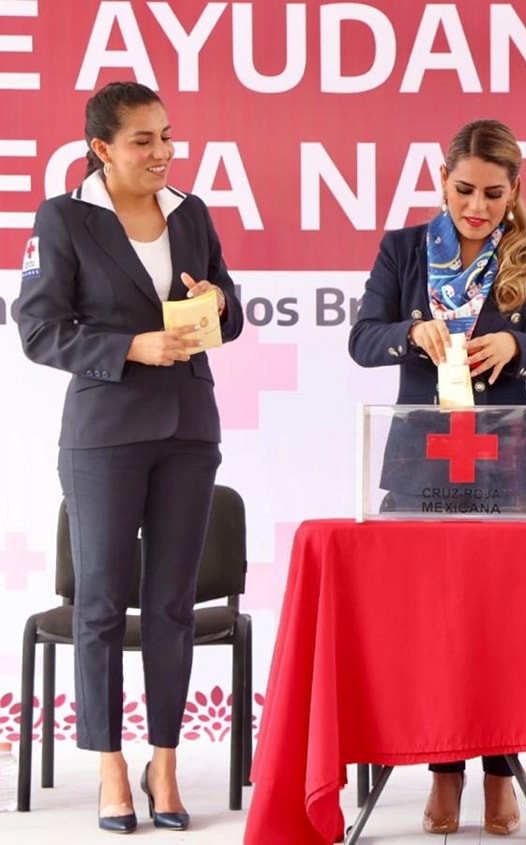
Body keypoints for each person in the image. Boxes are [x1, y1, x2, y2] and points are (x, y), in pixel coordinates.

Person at [17, 81, 243, 833]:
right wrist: (128, 346)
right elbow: (40, 328)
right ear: (101, 149)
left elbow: (231, 314)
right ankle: (111, 767)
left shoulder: (192, 212)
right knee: (103, 604)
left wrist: (214, 302)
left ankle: (165, 763)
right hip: (105, 431)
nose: (161, 153)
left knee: (174, 604)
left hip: (186, 425)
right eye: (142, 140)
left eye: (167, 136)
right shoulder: (63, 218)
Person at [348, 119, 526, 836]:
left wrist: (515, 343)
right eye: (465, 189)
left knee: (504, 620)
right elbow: (362, 338)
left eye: (493, 194)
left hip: (508, 450)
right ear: (443, 180)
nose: (477, 206)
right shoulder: (403, 249)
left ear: (515, 191)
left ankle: (503, 773)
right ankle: (443, 768)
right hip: (419, 449)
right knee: (435, 620)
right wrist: (410, 334)